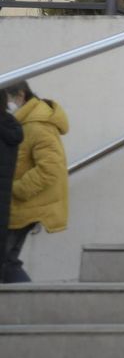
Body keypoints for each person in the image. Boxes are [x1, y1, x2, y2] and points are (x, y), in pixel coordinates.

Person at [4, 81, 69, 284]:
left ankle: (31, 306)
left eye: (8, 99)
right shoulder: (24, 122)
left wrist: (16, 189)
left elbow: (51, 167)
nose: (7, 105)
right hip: (18, 206)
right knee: (6, 262)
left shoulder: (38, 124)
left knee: (6, 262)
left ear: (21, 95)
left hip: (25, 205)